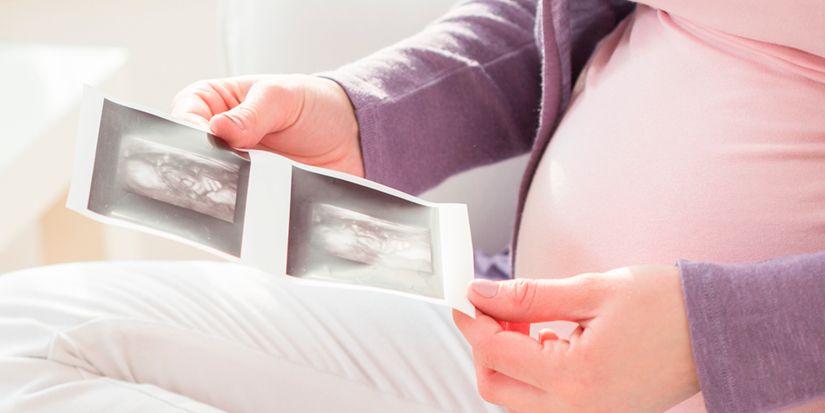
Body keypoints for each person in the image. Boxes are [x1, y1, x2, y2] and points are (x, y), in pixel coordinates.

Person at [1, 1, 823, 412]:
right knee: (22, 338)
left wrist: (711, 334)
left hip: (760, 382)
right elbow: (563, 18)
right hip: (499, 340)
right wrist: (361, 112)